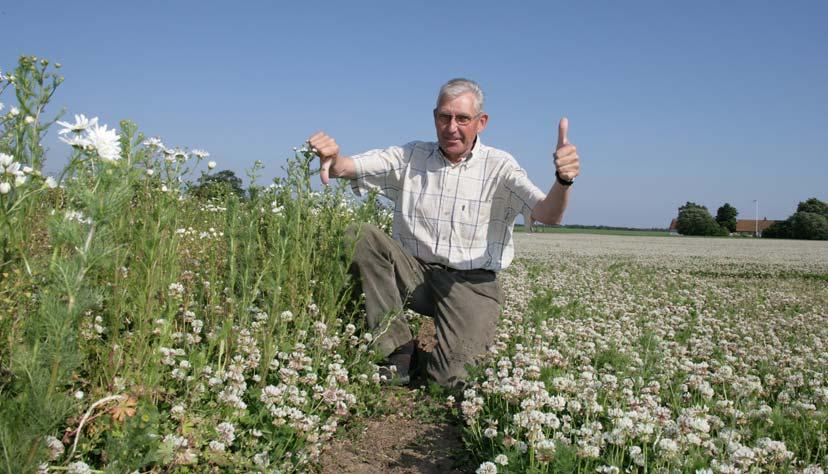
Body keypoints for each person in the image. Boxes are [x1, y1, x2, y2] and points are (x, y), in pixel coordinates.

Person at [308, 78, 580, 388]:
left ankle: (440, 360)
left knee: (450, 381)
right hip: (417, 274)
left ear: (481, 122)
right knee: (362, 235)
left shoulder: (500, 166)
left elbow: (548, 214)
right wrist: (334, 160)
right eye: (444, 117)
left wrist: (563, 181)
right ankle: (397, 350)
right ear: (435, 117)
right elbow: (349, 167)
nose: (452, 127)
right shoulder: (411, 156)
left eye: (462, 119)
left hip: (471, 283)